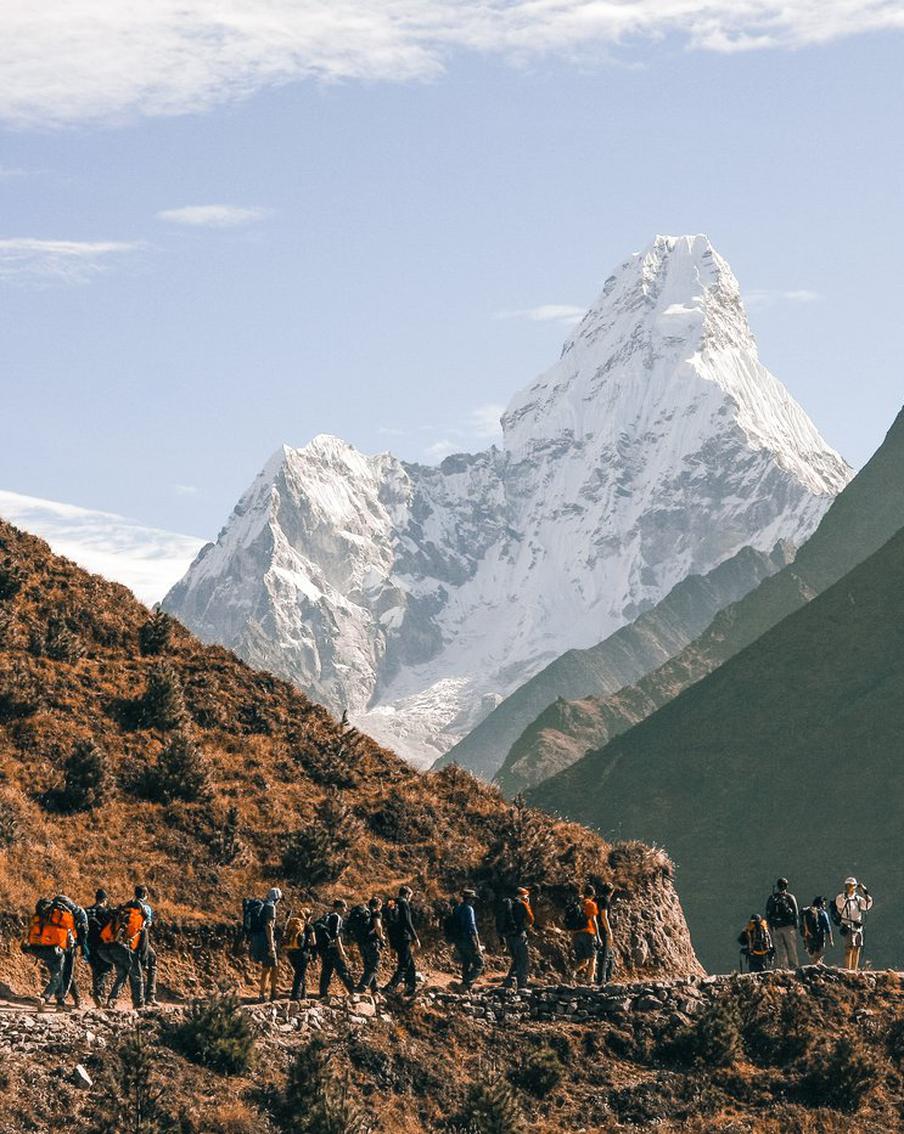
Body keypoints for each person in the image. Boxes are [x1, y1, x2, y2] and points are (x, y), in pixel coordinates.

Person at [99, 894, 153, 1009]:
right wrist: (144, 961)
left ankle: (112, 1000)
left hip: (106, 948)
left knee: (122, 974)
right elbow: (143, 942)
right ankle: (139, 1004)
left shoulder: (120, 914)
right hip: (124, 949)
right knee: (137, 976)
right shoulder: (138, 918)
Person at [22, 898, 68, 1011]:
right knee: (57, 977)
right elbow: (68, 932)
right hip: (56, 951)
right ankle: (44, 998)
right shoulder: (57, 917)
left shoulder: (38, 918)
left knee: (57, 975)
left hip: (40, 950)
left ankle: (60, 1003)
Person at [52, 893, 89, 1010]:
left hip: (53, 944)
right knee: (67, 972)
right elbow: (84, 929)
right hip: (69, 945)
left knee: (60, 971)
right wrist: (81, 944)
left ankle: (74, 999)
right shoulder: (76, 911)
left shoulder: (52, 910)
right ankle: (62, 1001)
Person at [383, 885, 420, 998]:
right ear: (407, 894)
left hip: (395, 938)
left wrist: (392, 945)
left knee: (410, 963)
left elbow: (389, 924)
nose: (410, 898)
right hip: (404, 937)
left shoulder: (391, 902)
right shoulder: (404, 903)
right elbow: (407, 922)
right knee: (404, 965)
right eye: (410, 896)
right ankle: (390, 987)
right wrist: (415, 938)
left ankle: (410, 988)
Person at [317, 899, 356, 997]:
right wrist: (341, 952)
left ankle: (323, 993)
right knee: (343, 970)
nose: (345, 910)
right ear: (339, 908)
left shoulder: (327, 916)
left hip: (325, 948)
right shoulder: (336, 917)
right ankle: (353, 991)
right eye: (344, 907)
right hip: (333, 948)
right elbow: (336, 936)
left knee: (326, 970)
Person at [249, 887, 281, 1003]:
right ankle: (268, 993)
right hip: (267, 941)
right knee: (271, 967)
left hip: (259, 940)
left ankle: (267, 992)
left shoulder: (263, 905)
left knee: (268, 967)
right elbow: (269, 926)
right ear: (277, 898)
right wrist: (271, 945)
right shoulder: (271, 907)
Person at [834, 877, 873, 971]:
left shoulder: (858, 899)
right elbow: (839, 904)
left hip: (857, 926)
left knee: (857, 948)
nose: (850, 888)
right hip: (847, 925)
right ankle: (848, 969)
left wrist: (865, 892)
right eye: (848, 885)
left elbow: (867, 905)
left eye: (852, 885)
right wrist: (846, 895)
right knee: (849, 948)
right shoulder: (841, 897)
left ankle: (854, 969)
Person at [500, 886, 534, 991]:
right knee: (523, 961)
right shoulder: (522, 904)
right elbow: (531, 920)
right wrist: (527, 904)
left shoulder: (508, 904)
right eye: (526, 896)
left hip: (508, 937)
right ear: (521, 895)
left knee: (516, 960)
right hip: (519, 935)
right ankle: (522, 986)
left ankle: (508, 983)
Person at [85, 889, 115, 1008]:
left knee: (95, 969)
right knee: (104, 970)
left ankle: (97, 994)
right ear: (104, 900)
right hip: (102, 945)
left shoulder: (87, 911)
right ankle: (99, 994)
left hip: (88, 945)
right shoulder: (105, 912)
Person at [452, 888, 484, 991]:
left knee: (466, 961)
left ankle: (464, 984)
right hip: (468, 939)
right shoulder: (469, 909)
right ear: (469, 899)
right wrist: (477, 943)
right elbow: (472, 926)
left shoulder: (457, 908)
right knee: (479, 963)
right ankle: (466, 983)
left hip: (459, 939)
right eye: (473, 899)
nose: (473, 901)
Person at [765, 878, 800, 969]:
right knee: (791, 947)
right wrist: (795, 925)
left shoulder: (772, 898)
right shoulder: (790, 897)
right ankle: (794, 967)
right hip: (789, 927)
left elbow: (768, 913)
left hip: (776, 927)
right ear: (786, 886)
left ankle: (783, 967)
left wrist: (770, 926)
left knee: (780, 949)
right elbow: (795, 912)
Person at [133, 885, 158, 1008]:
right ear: (144, 895)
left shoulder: (129, 905)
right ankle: (150, 997)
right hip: (141, 941)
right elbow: (148, 924)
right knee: (152, 961)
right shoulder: (146, 908)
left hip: (128, 942)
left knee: (131, 970)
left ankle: (136, 999)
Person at [284, 906, 316, 1001]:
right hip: (302, 953)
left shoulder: (292, 924)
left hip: (291, 952)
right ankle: (295, 996)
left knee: (300, 973)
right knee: (299, 975)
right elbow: (313, 942)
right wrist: (308, 943)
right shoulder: (309, 927)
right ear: (308, 916)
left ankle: (303, 995)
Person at [570, 885, 600, 984]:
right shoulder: (591, 904)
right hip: (588, 933)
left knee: (583, 961)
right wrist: (598, 936)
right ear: (592, 895)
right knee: (592, 958)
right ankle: (590, 980)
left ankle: (572, 972)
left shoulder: (577, 904)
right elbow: (594, 921)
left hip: (576, 934)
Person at [356, 897, 385, 994]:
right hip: (372, 942)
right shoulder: (376, 913)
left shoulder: (365, 913)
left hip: (362, 942)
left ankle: (374, 988)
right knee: (373, 966)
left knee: (368, 966)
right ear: (378, 905)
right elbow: (378, 925)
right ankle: (361, 988)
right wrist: (381, 936)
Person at [801, 896, 834, 965]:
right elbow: (827, 927)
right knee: (819, 956)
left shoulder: (807, 912)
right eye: (824, 903)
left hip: (809, 937)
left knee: (812, 956)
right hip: (820, 938)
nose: (824, 905)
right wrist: (831, 940)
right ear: (820, 904)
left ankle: (813, 966)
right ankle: (816, 967)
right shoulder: (822, 913)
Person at [594, 883, 615, 986]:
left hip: (594, 928)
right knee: (605, 954)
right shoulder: (605, 900)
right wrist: (609, 931)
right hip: (603, 929)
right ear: (611, 892)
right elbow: (604, 916)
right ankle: (602, 979)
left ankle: (603, 978)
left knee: (602, 954)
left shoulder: (596, 899)